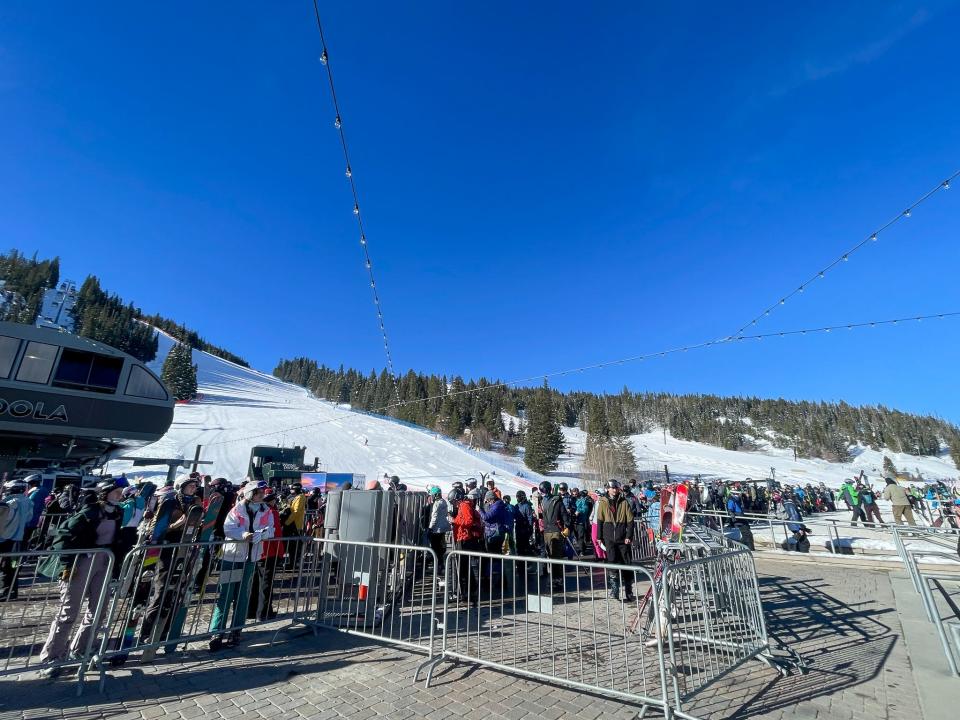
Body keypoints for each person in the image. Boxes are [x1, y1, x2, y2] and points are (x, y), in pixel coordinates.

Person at [37, 480, 125, 676]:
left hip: (104, 561)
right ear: (105, 493)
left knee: (99, 609)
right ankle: (52, 657)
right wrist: (68, 563)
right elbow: (64, 536)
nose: (119, 496)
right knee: (69, 611)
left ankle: (83, 650)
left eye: (120, 492)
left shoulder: (118, 513)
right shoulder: (89, 513)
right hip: (82, 562)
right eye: (116, 492)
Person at [209, 480, 274, 650]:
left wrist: (263, 534)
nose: (262, 495)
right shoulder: (237, 509)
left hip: (251, 558)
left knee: (243, 596)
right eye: (259, 493)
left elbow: (271, 529)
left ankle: (236, 630)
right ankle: (217, 631)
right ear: (251, 493)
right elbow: (228, 528)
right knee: (226, 594)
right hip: (232, 557)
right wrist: (243, 534)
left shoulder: (266, 510)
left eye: (263, 493)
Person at [137, 474, 201, 645]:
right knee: (162, 589)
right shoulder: (169, 502)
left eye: (195, 486)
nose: (194, 489)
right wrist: (177, 524)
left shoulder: (195, 504)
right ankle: (147, 631)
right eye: (190, 486)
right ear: (182, 486)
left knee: (177, 590)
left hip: (184, 550)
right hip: (167, 550)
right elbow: (156, 530)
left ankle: (166, 630)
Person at [596, 480, 634, 601]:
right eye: (612, 488)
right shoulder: (602, 502)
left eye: (616, 488)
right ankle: (615, 590)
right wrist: (599, 537)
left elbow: (630, 521)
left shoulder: (624, 502)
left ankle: (629, 591)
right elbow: (600, 520)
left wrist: (629, 536)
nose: (615, 490)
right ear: (608, 489)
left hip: (623, 538)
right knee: (612, 563)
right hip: (609, 538)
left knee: (626, 564)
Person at [250, 487, 284, 621]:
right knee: (266, 583)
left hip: (256, 550)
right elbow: (277, 534)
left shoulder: (252, 510)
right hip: (269, 551)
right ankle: (263, 613)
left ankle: (252, 611)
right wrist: (280, 552)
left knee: (255, 582)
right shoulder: (272, 512)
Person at [0, 479, 32, 600]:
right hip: (19, 538)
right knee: (13, 566)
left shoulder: (11, 502)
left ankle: (7, 593)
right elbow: (29, 518)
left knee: (6, 566)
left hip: (5, 538)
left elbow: (4, 519)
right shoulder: (27, 501)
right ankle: (11, 592)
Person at [538, 481, 571, 591]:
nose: (543, 493)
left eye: (543, 491)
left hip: (556, 530)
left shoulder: (557, 500)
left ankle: (558, 581)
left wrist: (567, 526)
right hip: (546, 531)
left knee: (556, 557)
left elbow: (564, 515)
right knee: (550, 556)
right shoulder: (542, 501)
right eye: (541, 491)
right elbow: (542, 516)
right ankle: (553, 579)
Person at [451, 488, 482, 605]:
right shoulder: (463, 506)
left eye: (454, 501)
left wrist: (455, 521)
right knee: (464, 567)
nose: (454, 504)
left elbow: (468, 521)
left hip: (464, 539)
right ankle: (467, 592)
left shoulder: (464, 505)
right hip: (462, 538)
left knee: (464, 568)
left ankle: (468, 593)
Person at [426, 486, 451, 570]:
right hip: (443, 527)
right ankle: (441, 563)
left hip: (436, 529)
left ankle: (438, 564)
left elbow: (434, 517)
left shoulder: (436, 504)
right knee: (441, 546)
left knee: (435, 547)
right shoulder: (443, 501)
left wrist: (430, 528)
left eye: (432, 495)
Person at [512, 490, 535, 557]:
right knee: (518, 544)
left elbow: (530, 517)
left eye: (519, 497)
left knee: (525, 544)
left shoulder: (526, 506)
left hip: (525, 527)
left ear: (523, 497)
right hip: (518, 527)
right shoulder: (516, 506)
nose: (517, 499)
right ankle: (520, 560)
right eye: (517, 497)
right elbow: (514, 515)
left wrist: (530, 528)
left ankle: (527, 561)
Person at [573, 488, 594, 556]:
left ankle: (582, 550)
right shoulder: (572, 499)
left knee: (581, 537)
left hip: (581, 520)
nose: (575, 495)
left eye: (576, 494)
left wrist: (579, 511)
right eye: (573, 494)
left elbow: (585, 509)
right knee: (576, 536)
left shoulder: (583, 500)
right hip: (574, 521)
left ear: (578, 493)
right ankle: (582, 548)